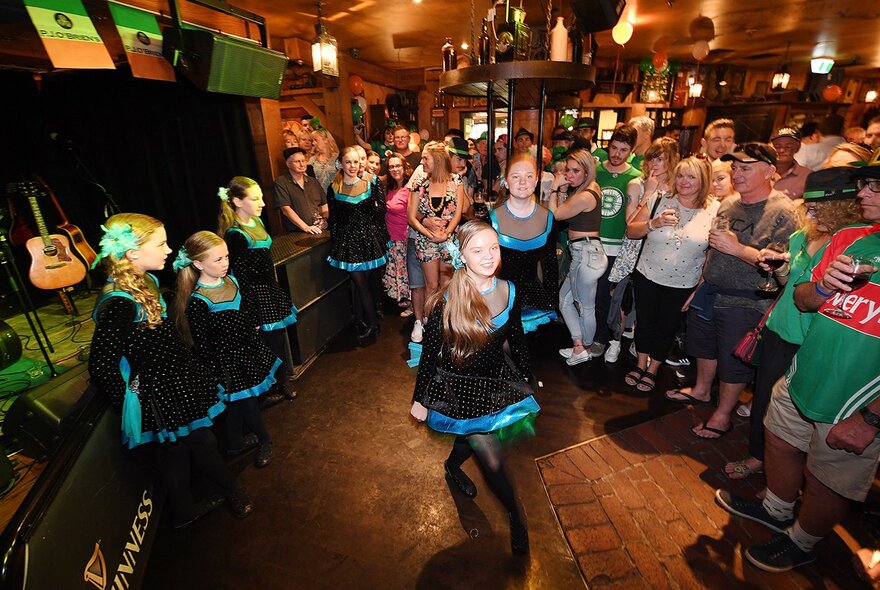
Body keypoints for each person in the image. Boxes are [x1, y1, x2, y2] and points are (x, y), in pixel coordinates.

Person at [715, 156, 880, 573]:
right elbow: (804, 297)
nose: (863, 194)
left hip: (856, 399)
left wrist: (872, 420)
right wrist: (822, 284)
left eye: (874, 187)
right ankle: (776, 509)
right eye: (863, 186)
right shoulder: (855, 239)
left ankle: (804, 542)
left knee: (829, 478)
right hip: (804, 371)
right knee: (779, 440)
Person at [89, 213, 252, 528]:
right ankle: (232, 490)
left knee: (176, 451)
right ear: (133, 253)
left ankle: (183, 511)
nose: (167, 249)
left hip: (176, 379)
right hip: (162, 390)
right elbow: (101, 364)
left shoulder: (145, 280)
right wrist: (130, 405)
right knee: (202, 443)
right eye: (160, 243)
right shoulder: (119, 302)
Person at [722, 168, 866, 481]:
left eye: (818, 209)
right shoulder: (803, 236)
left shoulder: (851, 246)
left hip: (812, 338)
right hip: (780, 329)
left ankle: (791, 477)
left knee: (802, 413)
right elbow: (789, 285)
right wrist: (780, 267)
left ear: (843, 209)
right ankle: (760, 458)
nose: (811, 215)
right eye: (808, 209)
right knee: (764, 400)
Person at [410, 220, 539, 555]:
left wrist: (527, 376)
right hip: (459, 389)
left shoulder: (509, 290)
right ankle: (516, 516)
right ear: (462, 256)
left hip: (494, 384)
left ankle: (453, 466)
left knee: (469, 436)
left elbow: (517, 341)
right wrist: (420, 398)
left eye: (493, 248)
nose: (488, 256)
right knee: (492, 459)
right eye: (477, 250)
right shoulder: (446, 300)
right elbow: (429, 354)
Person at [665, 144, 797, 440]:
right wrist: (700, 284)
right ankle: (700, 391)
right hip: (712, 291)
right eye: (734, 168)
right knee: (703, 347)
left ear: (770, 171)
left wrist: (739, 249)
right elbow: (714, 248)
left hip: (747, 299)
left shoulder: (783, 212)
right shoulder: (729, 203)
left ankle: (723, 415)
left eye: (745, 168)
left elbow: (782, 265)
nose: (737, 174)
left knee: (733, 361)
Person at [174, 231, 279, 469]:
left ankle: (234, 444)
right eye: (218, 260)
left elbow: (247, 304)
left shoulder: (231, 280)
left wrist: (253, 322)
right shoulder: (199, 301)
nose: (225, 264)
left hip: (248, 352)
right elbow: (203, 345)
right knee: (247, 403)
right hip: (227, 364)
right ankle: (264, 439)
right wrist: (218, 374)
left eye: (227, 257)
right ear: (198, 263)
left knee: (240, 405)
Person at [625, 157, 716, 392]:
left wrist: (700, 287)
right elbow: (632, 231)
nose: (684, 181)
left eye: (691, 176)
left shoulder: (714, 210)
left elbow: (712, 254)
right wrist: (653, 223)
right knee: (644, 322)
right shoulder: (659, 200)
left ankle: (653, 368)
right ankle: (640, 363)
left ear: (703, 180)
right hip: (648, 274)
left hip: (684, 281)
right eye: (680, 175)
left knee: (667, 326)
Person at [219, 177, 298, 402]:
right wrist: (248, 311)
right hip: (253, 295)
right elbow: (238, 275)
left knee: (277, 340)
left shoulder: (258, 222)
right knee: (265, 344)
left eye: (261, 197)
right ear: (237, 201)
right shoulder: (235, 234)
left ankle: (280, 381)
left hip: (268, 289)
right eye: (255, 199)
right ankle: (269, 387)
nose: (262, 203)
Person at [489, 152, 558, 333]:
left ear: (536, 181)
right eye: (516, 176)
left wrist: (553, 301)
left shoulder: (548, 218)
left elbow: (550, 263)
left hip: (531, 299)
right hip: (498, 298)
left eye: (529, 176)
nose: (522, 182)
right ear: (506, 182)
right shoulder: (491, 219)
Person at [326, 147, 389, 343]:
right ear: (340, 164)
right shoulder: (333, 188)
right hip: (348, 244)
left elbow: (381, 212)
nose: (353, 166)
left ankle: (366, 321)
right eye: (348, 162)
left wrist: (380, 238)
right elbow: (334, 220)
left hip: (368, 241)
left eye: (356, 162)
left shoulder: (372, 182)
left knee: (363, 283)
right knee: (360, 284)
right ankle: (370, 323)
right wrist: (336, 245)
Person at [549, 149, 605, 365]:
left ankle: (585, 348)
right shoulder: (588, 189)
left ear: (587, 171)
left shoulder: (584, 195)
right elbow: (564, 209)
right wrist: (563, 190)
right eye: (567, 170)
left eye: (575, 171)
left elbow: (556, 215)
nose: (569, 175)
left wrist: (555, 186)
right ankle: (579, 345)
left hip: (586, 254)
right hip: (584, 253)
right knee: (564, 300)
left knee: (585, 306)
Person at [593, 125, 642, 358]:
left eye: (623, 150)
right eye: (614, 147)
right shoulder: (594, 170)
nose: (616, 154)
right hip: (592, 241)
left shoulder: (635, 177)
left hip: (617, 246)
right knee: (592, 295)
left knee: (609, 296)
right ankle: (597, 335)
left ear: (631, 151)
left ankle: (606, 338)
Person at [408, 142, 464, 318]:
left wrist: (446, 234)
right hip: (426, 241)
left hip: (450, 240)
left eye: (426, 158)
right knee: (431, 286)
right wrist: (429, 233)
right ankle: (431, 323)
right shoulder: (419, 184)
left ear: (438, 160)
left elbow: (458, 214)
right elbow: (411, 217)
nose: (422, 162)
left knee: (447, 283)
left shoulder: (456, 180)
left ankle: (448, 321)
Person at [382, 154, 413, 314]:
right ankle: (406, 300)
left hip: (404, 237)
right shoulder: (390, 187)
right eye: (391, 166)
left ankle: (414, 305)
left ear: (404, 167)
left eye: (398, 166)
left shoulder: (410, 188)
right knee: (399, 271)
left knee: (408, 272)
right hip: (392, 237)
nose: (394, 169)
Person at [274, 147, 327, 235]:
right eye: (297, 162)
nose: (302, 164)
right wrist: (306, 227)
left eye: (303, 161)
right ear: (288, 164)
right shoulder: (281, 182)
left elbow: (324, 204)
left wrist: (324, 220)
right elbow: (286, 209)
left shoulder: (313, 181)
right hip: (296, 232)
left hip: (319, 230)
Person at [769, 127, 811, 200]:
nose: (782, 150)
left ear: (798, 147)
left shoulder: (808, 177)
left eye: (788, 147)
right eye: (777, 146)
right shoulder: (756, 170)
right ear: (770, 146)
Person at [309, 127, 339, 194]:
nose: (313, 143)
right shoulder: (312, 160)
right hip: (318, 198)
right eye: (312, 140)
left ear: (326, 140)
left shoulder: (337, 158)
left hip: (335, 197)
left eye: (316, 140)